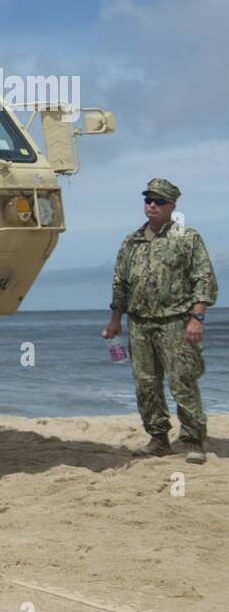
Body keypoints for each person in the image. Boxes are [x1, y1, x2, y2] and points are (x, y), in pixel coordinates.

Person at [104, 178, 217, 464]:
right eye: (148, 200)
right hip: (139, 322)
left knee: (183, 381)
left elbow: (203, 278)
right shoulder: (131, 241)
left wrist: (197, 317)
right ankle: (158, 439)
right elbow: (121, 283)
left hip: (175, 320)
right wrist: (115, 320)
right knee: (145, 383)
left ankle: (193, 439)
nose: (152, 205)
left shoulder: (186, 237)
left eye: (159, 201)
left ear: (172, 206)